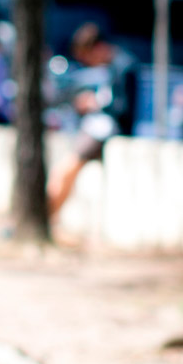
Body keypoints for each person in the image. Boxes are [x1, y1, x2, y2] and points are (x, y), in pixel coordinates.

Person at [47, 22, 139, 220]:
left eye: (87, 57)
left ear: (97, 48)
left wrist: (95, 104)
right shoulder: (114, 65)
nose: (89, 63)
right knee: (62, 172)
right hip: (98, 129)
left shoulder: (124, 66)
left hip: (106, 131)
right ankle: (48, 217)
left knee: (64, 171)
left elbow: (123, 109)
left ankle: (47, 217)